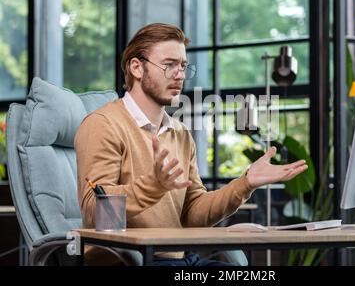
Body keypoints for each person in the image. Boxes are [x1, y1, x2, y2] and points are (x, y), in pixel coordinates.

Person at [75, 23, 308, 266]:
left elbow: (193, 214)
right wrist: (153, 185)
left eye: (183, 66)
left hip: (182, 260)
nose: (180, 75)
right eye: (169, 65)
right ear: (136, 67)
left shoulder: (180, 133)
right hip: (132, 261)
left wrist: (245, 183)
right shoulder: (103, 125)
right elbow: (95, 211)